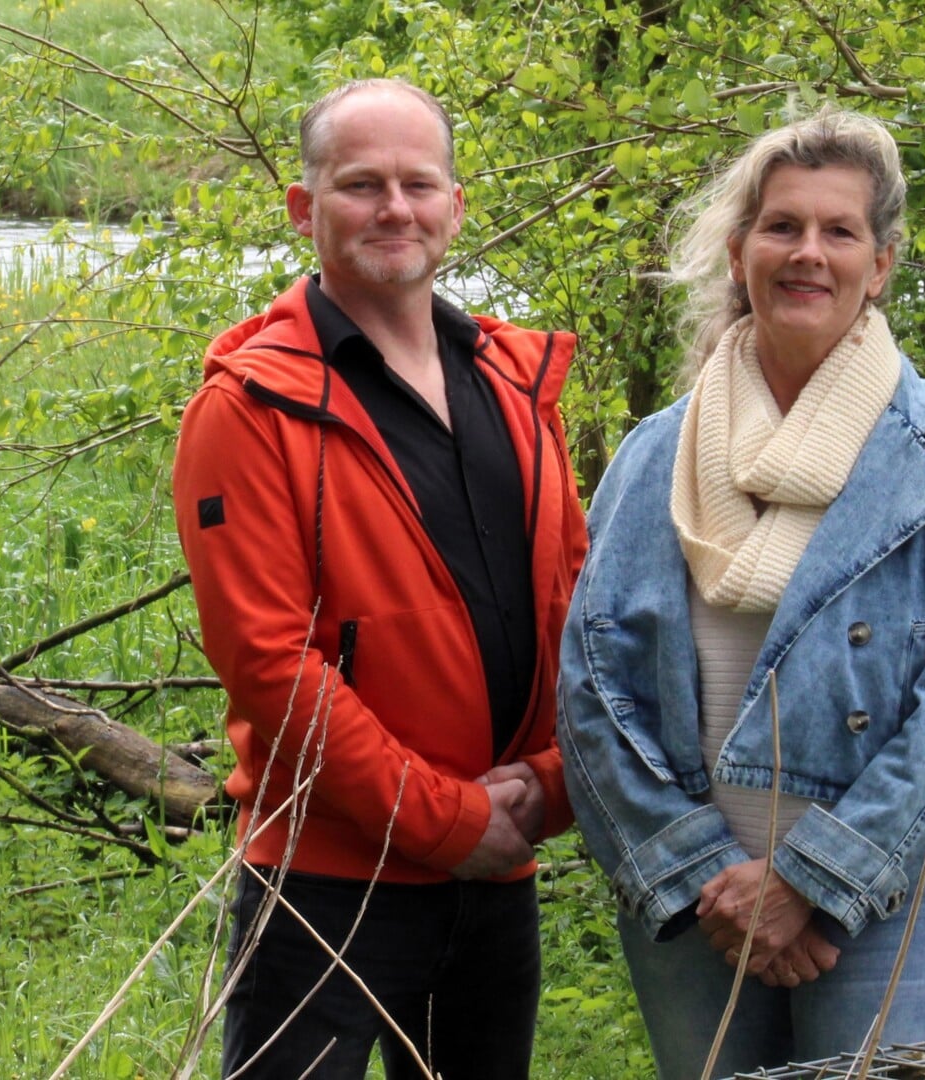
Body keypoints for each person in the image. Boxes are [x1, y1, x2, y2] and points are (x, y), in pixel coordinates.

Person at [557, 109, 925, 1078]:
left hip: (888, 903)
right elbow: (588, 690)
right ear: (738, 253)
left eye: (837, 230)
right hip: (698, 914)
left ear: (881, 263)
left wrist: (814, 882)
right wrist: (700, 883)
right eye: (781, 227)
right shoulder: (653, 457)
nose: (806, 252)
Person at [171, 79, 585, 1079]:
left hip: (498, 869)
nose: (393, 207)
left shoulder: (514, 385)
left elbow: (583, 621)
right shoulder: (247, 408)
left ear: (454, 205)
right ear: (305, 210)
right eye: (360, 185)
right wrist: (449, 823)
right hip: (326, 887)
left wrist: (547, 789)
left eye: (417, 183)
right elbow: (271, 667)